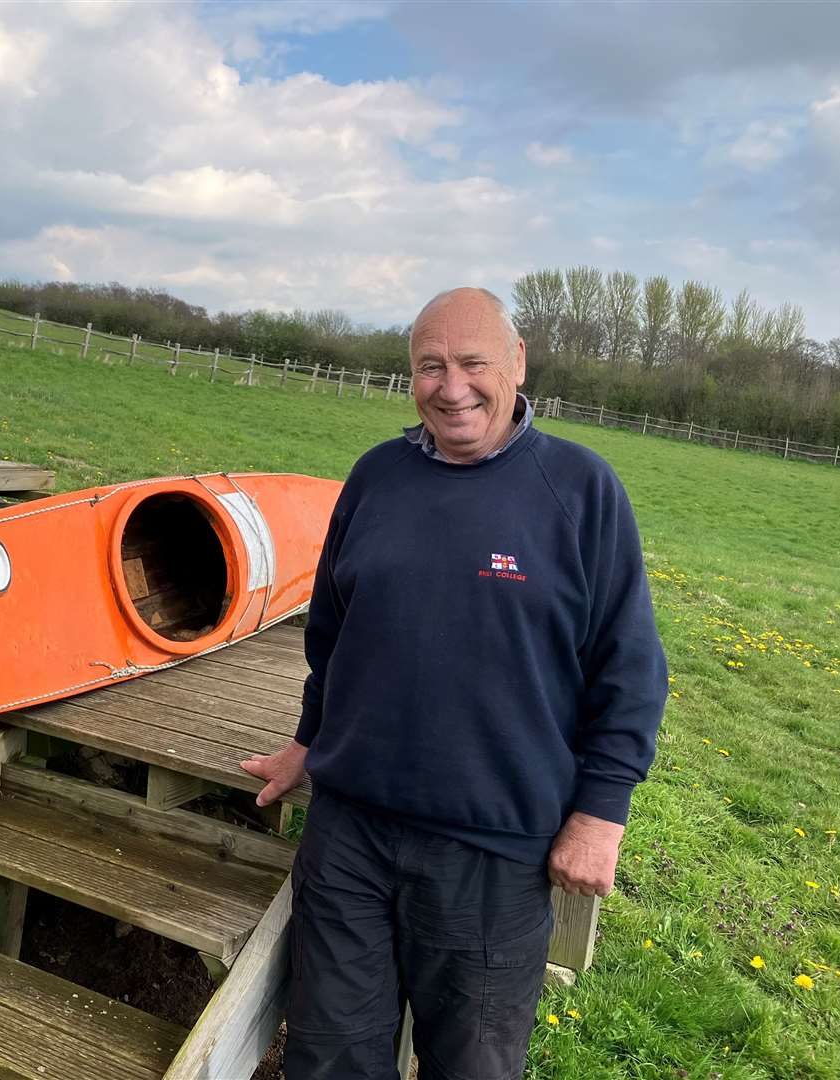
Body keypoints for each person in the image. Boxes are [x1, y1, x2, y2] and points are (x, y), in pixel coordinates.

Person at [242, 287, 668, 1080]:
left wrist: (601, 814)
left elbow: (630, 665)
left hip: (492, 852)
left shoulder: (579, 490)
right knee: (329, 1055)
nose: (451, 386)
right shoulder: (377, 477)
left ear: (517, 364)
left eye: (473, 363)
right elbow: (333, 637)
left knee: (471, 1065)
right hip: (350, 836)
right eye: (430, 366)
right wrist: (307, 743)